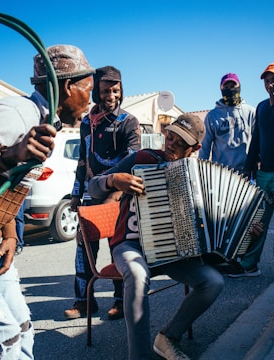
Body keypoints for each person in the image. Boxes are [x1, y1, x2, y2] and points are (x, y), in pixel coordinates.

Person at [0, 43, 95, 359]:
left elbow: (6, 186)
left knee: (21, 329)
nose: (91, 100)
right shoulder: (16, 114)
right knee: (3, 341)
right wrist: (11, 154)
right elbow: (4, 163)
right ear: (68, 87)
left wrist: (9, 234)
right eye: (87, 89)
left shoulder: (45, 122)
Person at [88, 114, 224, 360]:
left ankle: (168, 337)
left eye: (180, 141)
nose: (170, 143)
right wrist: (113, 180)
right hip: (130, 244)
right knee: (138, 274)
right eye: (169, 135)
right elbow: (93, 186)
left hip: (171, 251)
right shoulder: (143, 159)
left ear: (195, 149)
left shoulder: (200, 176)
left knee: (213, 282)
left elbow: (217, 220)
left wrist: (245, 230)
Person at [64, 66, 141, 321]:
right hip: (90, 194)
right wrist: (76, 193)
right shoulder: (87, 122)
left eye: (116, 90)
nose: (112, 95)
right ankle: (84, 301)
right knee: (84, 249)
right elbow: (83, 160)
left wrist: (114, 196)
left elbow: (133, 162)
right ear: (97, 91)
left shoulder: (128, 122)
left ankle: (120, 301)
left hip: (118, 197)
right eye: (106, 90)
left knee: (118, 248)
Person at [227, 63, 274, 278]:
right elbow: (256, 140)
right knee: (258, 222)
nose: (270, 84)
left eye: (272, 80)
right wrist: (249, 167)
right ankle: (249, 264)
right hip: (265, 173)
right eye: (266, 81)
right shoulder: (262, 107)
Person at [199, 73, 256, 173]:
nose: (230, 89)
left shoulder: (251, 112)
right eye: (226, 87)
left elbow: (257, 142)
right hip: (221, 174)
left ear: (239, 87)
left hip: (246, 172)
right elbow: (205, 147)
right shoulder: (212, 116)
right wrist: (202, 171)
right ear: (221, 89)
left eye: (233, 86)